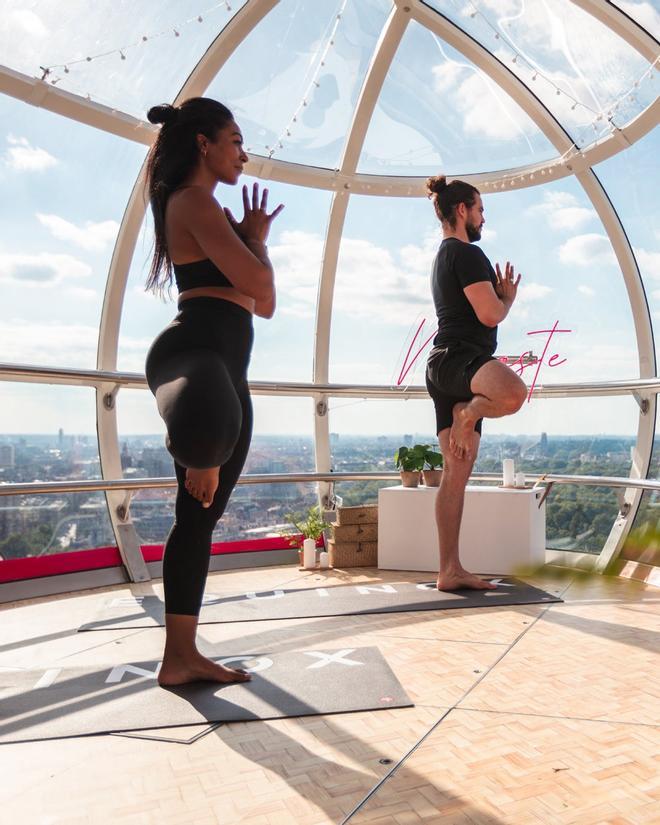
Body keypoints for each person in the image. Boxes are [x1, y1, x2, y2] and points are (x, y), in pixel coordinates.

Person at [144, 97, 283, 686]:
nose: (243, 154)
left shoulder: (215, 212)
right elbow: (256, 283)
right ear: (203, 143)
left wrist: (254, 237)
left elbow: (266, 304)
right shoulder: (196, 201)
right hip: (201, 359)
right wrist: (252, 245)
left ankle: (183, 654)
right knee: (195, 511)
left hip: (228, 369)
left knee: (198, 519)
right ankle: (179, 655)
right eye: (235, 140)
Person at [425, 176, 526, 591]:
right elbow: (489, 315)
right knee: (514, 393)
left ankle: (449, 569)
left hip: (443, 367)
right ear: (462, 211)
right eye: (480, 209)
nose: (484, 217)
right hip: (460, 361)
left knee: (455, 472)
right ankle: (468, 412)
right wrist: (507, 300)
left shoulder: (442, 256)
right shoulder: (467, 253)